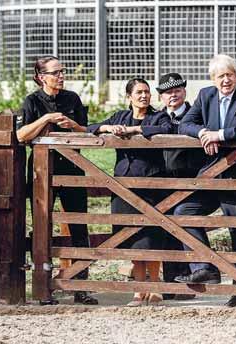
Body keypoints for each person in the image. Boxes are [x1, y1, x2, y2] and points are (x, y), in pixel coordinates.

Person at [173, 55, 236, 308]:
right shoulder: (206, 95)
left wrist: (218, 135)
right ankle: (205, 266)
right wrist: (202, 133)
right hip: (212, 174)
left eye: (229, 75)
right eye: (220, 76)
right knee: (184, 212)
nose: (225, 80)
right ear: (213, 79)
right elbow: (186, 124)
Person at [17, 55, 97, 305]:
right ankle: (44, 289)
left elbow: (87, 131)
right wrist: (47, 119)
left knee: (79, 228)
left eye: (62, 71)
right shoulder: (31, 101)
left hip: (73, 170)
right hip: (43, 175)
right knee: (42, 228)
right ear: (41, 77)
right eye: (55, 72)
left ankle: (80, 286)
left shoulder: (72, 99)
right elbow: (20, 136)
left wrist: (72, 124)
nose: (61, 76)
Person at [87, 78, 172, 307]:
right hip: (123, 185)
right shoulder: (119, 117)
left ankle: (155, 288)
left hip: (151, 184)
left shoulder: (158, 116)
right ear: (129, 97)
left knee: (152, 237)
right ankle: (138, 290)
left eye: (146, 92)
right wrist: (108, 128)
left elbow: (166, 129)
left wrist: (135, 130)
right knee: (132, 238)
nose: (144, 96)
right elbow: (90, 128)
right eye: (139, 92)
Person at [156, 72, 200, 301]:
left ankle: (188, 284)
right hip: (162, 181)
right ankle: (170, 283)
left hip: (189, 180)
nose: (172, 95)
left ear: (184, 91)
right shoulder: (155, 118)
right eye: (167, 92)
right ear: (161, 96)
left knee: (185, 227)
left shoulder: (196, 115)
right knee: (165, 230)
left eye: (176, 90)